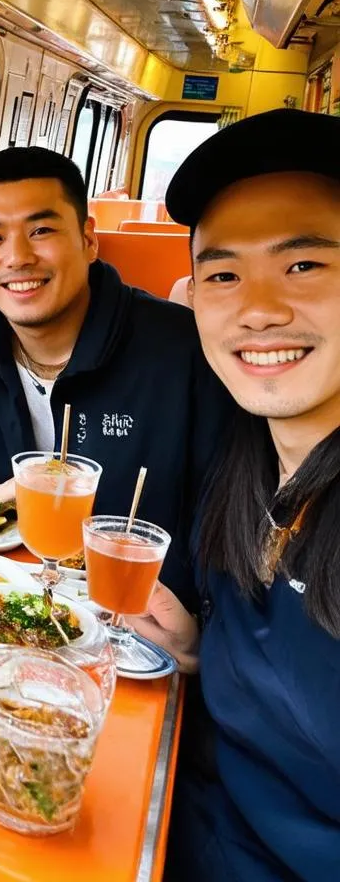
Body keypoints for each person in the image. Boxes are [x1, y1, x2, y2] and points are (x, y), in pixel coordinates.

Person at [130, 108, 340, 881]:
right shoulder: (250, 463)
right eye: (224, 274)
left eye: (304, 266)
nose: (257, 308)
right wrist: (194, 654)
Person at [0, 147, 230, 603]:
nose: (17, 257)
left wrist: (200, 634)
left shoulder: (184, 354)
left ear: (88, 239)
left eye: (40, 230)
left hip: (145, 621)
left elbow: (230, 523)